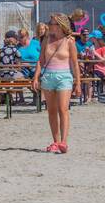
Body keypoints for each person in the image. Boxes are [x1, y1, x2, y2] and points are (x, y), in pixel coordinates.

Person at [33, 12, 80, 153]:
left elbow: (75, 63)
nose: (48, 25)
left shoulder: (69, 41)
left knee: (63, 109)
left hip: (64, 76)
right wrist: (35, 77)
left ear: (59, 26)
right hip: (48, 77)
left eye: (51, 23)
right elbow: (41, 60)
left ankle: (64, 142)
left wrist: (78, 83)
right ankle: (56, 141)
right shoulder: (46, 40)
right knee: (52, 111)